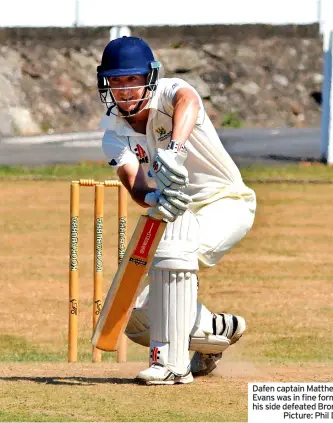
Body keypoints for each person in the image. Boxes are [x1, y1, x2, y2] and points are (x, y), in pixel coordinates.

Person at [96, 36, 257, 385]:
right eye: (116, 81)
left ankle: (171, 365)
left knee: (173, 250)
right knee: (136, 315)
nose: (124, 90)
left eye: (132, 79)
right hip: (174, 211)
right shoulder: (113, 132)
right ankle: (216, 331)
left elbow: (189, 99)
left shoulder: (170, 94)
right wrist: (151, 198)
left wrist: (176, 149)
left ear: (149, 77)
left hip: (224, 202)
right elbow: (135, 184)